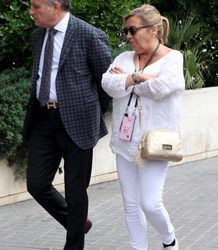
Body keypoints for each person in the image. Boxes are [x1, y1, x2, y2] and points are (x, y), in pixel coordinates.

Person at [22, 0, 111, 249]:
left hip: (78, 122)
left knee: (75, 192)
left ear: (56, 6)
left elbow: (106, 82)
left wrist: (90, 112)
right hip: (43, 119)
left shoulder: (88, 34)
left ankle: (74, 244)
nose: (31, 12)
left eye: (36, 6)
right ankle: (78, 222)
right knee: (36, 184)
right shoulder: (38, 36)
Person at [102, 4, 185, 250]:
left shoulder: (173, 58)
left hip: (155, 143)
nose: (128, 36)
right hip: (125, 141)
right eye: (126, 30)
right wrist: (139, 78)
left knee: (150, 203)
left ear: (153, 30)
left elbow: (163, 89)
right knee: (130, 203)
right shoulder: (123, 58)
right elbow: (108, 83)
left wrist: (129, 79)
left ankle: (169, 240)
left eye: (133, 30)